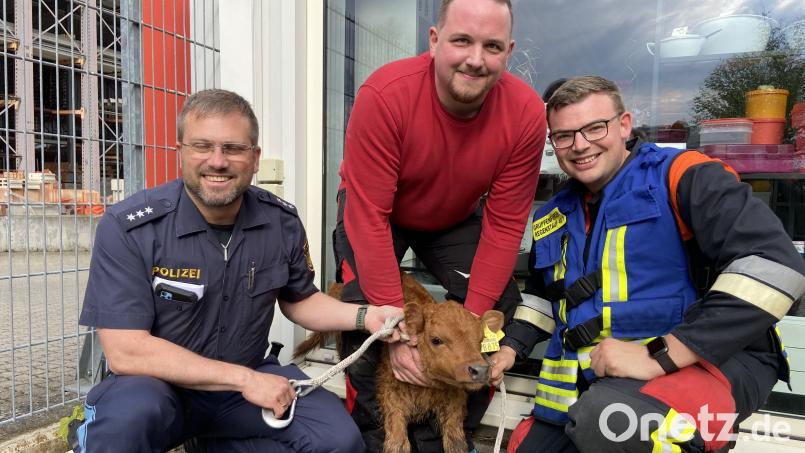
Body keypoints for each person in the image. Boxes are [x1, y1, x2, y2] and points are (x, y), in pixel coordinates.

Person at [76, 89, 404, 453]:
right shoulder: (129, 228)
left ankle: (212, 443)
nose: (217, 161)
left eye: (233, 149)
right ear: (180, 152)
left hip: (240, 391)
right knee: (126, 418)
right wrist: (243, 379)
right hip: (157, 386)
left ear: (255, 157)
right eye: (202, 146)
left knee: (338, 439)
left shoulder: (280, 221)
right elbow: (126, 351)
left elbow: (301, 301)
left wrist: (367, 316)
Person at [490, 75, 805, 453]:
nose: (580, 145)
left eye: (594, 128)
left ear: (624, 125)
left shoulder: (683, 175)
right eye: (564, 135)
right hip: (606, 380)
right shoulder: (556, 213)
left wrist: (658, 355)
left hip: (716, 360)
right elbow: (544, 297)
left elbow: (775, 264)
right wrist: (512, 347)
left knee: (612, 421)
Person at [334, 0, 546, 450]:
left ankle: (448, 437)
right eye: (462, 40)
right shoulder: (386, 94)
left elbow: (505, 225)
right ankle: (377, 437)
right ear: (434, 42)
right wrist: (397, 331)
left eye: (491, 46)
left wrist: (470, 323)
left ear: (508, 52)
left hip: (451, 216)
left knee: (498, 304)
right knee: (361, 315)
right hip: (377, 212)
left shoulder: (526, 114)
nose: (475, 58)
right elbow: (369, 217)